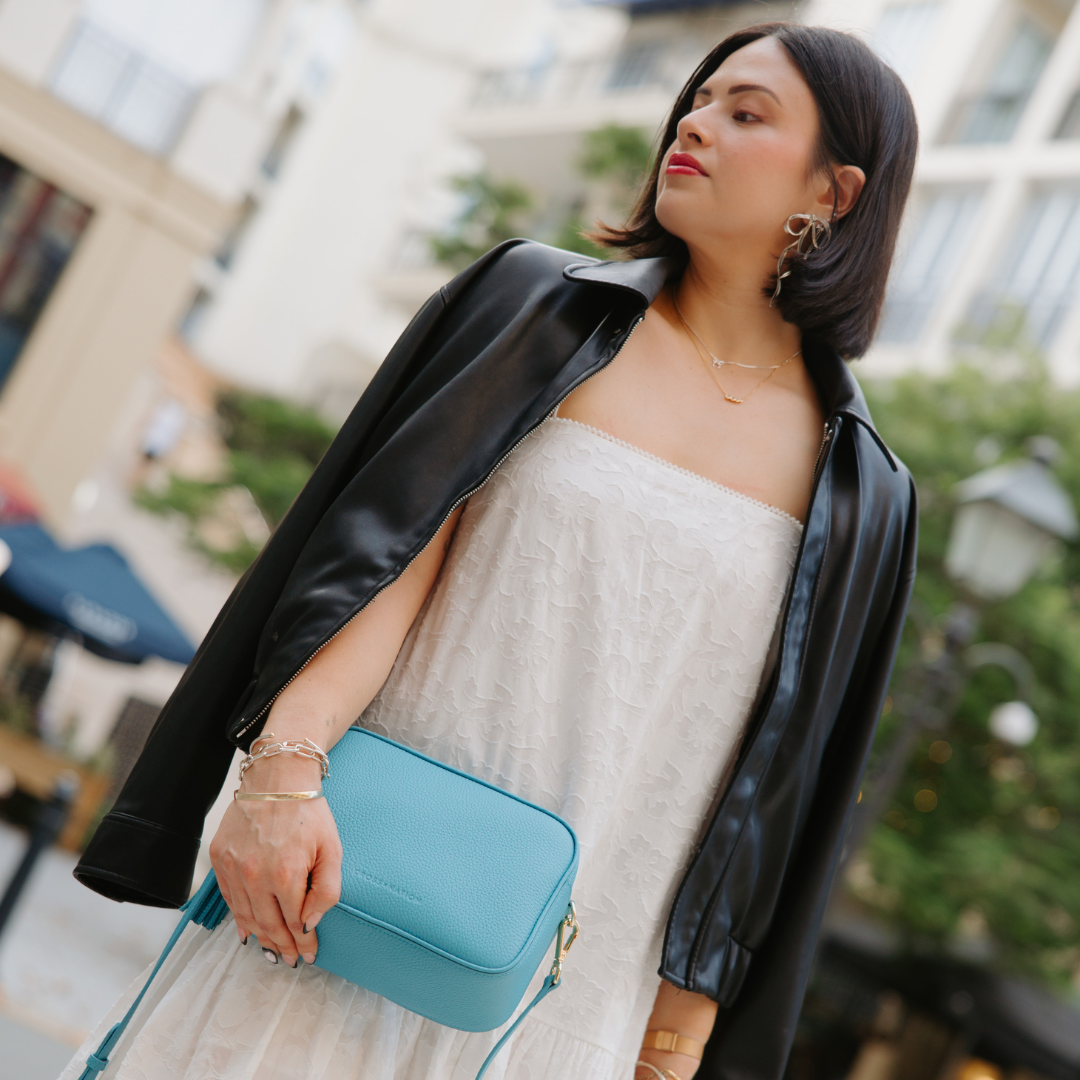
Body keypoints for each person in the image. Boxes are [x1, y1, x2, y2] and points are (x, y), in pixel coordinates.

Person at [66, 21, 918, 1080]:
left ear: (834, 191)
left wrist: (673, 1045)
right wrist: (280, 781)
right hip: (348, 897)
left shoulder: (864, 491)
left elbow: (775, 804)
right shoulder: (536, 310)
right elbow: (383, 565)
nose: (694, 124)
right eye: (699, 99)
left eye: (745, 113)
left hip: (574, 999)